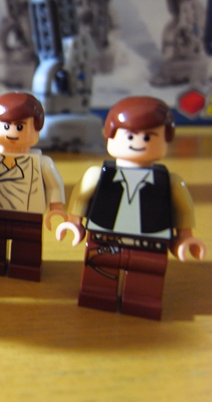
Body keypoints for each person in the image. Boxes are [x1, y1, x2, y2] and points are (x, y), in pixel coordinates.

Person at [57, 96, 206, 319]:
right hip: (104, 238)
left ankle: (141, 301)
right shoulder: (97, 175)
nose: (138, 142)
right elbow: (82, 197)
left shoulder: (170, 182)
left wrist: (185, 237)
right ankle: (97, 296)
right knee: (98, 275)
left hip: (150, 241)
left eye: (148, 136)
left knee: (146, 278)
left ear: (166, 139)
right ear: (109, 136)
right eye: (129, 135)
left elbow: (183, 210)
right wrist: (73, 222)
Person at [0, 92, 66, 281]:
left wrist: (56, 207)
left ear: (37, 129)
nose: (12, 132)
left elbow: (54, 185)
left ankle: (25, 266)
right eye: (6, 126)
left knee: (27, 244)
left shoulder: (42, 162)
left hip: (28, 214)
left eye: (20, 127)